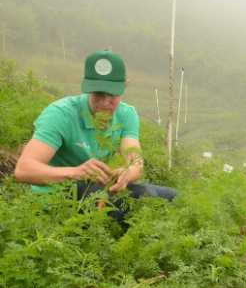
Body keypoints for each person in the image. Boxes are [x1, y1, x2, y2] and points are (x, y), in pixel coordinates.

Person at [14, 50, 175, 207]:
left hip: (98, 187)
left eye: (112, 94)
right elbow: (24, 170)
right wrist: (76, 173)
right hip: (58, 193)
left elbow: (136, 162)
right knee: (113, 203)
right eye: (99, 94)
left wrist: (127, 174)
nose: (105, 102)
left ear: (123, 88)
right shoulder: (60, 114)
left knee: (167, 197)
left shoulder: (126, 114)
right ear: (88, 89)